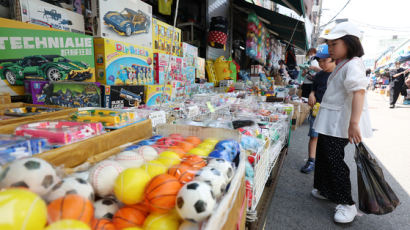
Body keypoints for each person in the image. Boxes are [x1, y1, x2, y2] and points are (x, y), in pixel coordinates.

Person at [312, 22, 372, 224]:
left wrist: (354, 123)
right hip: (331, 120)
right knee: (324, 155)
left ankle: (348, 204)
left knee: (334, 159)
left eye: (334, 44)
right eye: (329, 44)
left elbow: (359, 92)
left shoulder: (353, 63)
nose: (330, 48)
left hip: (339, 122)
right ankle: (327, 189)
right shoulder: (343, 63)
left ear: (349, 42)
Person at [300, 44, 335, 174]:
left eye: (325, 61)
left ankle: (325, 164)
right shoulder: (319, 75)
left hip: (331, 112)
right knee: (314, 136)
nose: (322, 64)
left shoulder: (337, 75)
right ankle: (311, 160)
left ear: (333, 59)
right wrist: (311, 94)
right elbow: (314, 88)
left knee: (328, 139)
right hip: (317, 110)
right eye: (320, 61)